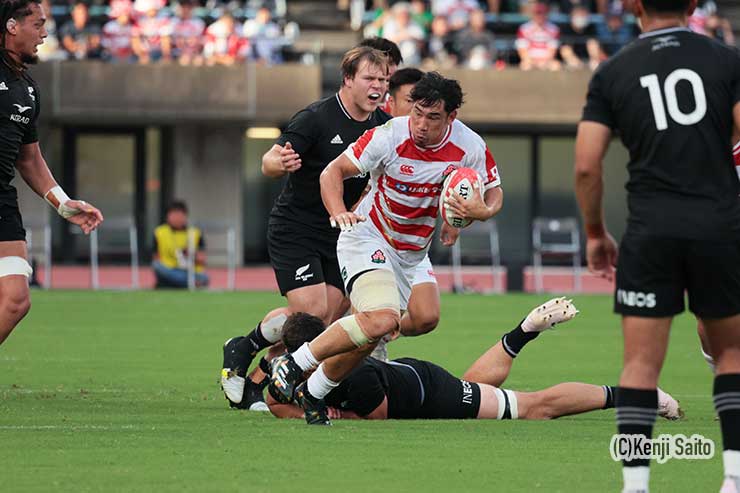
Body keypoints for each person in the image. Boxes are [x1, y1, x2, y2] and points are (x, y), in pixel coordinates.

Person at [269, 71, 504, 425]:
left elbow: (493, 191)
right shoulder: (389, 135)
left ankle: (312, 392)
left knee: (368, 337)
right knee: (382, 319)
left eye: (433, 117)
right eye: (417, 113)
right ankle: (294, 363)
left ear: (451, 117)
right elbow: (331, 172)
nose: (421, 125)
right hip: (368, 236)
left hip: (409, 255)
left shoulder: (469, 146)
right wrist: (339, 213)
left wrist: (480, 211)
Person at [574, 0, 740, 489]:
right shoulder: (726, 60)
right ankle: (733, 479)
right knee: (730, 357)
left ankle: (636, 483)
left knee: (640, 364)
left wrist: (595, 232)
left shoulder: (612, 71)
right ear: (693, 5)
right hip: (718, 226)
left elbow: (586, 165)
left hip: (650, 229)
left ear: (634, 5)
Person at [220, 46, 392, 410]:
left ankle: (258, 381)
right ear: (348, 80)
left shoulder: (382, 127)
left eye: (382, 79)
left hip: (343, 232)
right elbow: (269, 160)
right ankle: (245, 345)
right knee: (311, 312)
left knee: (327, 321)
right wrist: (278, 161)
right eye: (369, 78)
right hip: (296, 227)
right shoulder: (316, 117)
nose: (377, 86)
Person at [267, 301, 683, 422]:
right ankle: (522, 332)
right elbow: (276, 403)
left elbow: (375, 417)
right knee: (477, 387)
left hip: (427, 393)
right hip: (415, 378)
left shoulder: (350, 376)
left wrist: (333, 415)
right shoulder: (297, 373)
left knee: (531, 408)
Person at [0, 0, 103, 345]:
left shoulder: (28, 89)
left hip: (2, 201)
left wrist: (63, 204)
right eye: (38, 24)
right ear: (12, 26)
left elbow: (29, 159)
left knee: (15, 301)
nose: (45, 33)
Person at [152, 200, 208, 288]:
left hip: (190, 271)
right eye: (173, 215)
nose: (176, 218)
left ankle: (173, 284)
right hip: (169, 269)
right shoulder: (160, 232)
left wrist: (190, 254)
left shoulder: (195, 232)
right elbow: (156, 259)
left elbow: (202, 260)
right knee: (157, 266)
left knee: (204, 278)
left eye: (179, 215)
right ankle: (189, 283)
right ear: (167, 216)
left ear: (185, 216)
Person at [516, 1, 561, 71]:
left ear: (546, 14)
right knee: (525, 66)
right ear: (533, 14)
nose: (539, 16)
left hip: (547, 61)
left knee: (556, 66)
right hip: (530, 61)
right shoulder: (524, 28)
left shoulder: (554, 29)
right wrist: (532, 62)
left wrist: (544, 63)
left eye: (542, 13)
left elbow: (552, 51)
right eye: (537, 13)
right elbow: (522, 50)